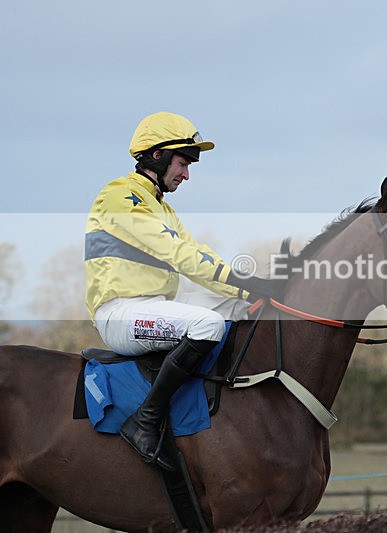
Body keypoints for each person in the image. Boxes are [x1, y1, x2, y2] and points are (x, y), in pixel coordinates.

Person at [85, 111, 281, 470]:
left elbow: (199, 254)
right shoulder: (120, 196)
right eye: (183, 163)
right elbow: (180, 254)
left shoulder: (163, 208)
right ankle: (146, 421)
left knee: (238, 308)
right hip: (120, 314)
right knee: (206, 325)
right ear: (156, 155)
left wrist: (250, 291)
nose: (187, 174)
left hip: (155, 304)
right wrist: (244, 281)